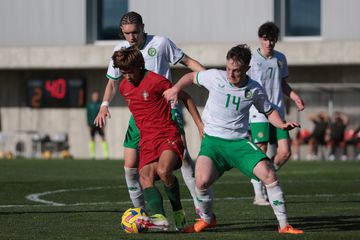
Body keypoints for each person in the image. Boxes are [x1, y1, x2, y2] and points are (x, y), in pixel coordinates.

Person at [163, 44, 304, 234]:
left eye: (236, 71)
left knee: (269, 174)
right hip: (213, 143)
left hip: (239, 143)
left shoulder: (254, 89)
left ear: (247, 68)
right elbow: (190, 76)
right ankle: (207, 219)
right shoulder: (215, 77)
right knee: (201, 182)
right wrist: (176, 88)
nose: (230, 74)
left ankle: (284, 225)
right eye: (228, 69)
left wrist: (281, 125)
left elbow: (269, 110)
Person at [96, 11, 205, 217]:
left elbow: (188, 62)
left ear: (143, 28)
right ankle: (141, 213)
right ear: (122, 32)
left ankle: (201, 210)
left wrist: (211, 78)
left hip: (166, 110)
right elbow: (112, 81)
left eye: (135, 32)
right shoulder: (120, 51)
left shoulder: (161, 43)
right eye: (127, 33)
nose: (132, 37)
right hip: (140, 116)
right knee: (130, 167)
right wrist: (104, 104)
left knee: (184, 160)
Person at [247, 22, 305, 206]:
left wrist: (294, 96)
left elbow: (283, 84)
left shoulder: (280, 58)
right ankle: (258, 193)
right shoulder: (251, 60)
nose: (269, 43)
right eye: (265, 39)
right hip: (258, 112)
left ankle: (265, 176)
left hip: (278, 112)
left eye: (272, 40)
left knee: (285, 152)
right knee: (261, 149)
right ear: (260, 39)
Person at [86, 90, 109, 159]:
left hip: (100, 124)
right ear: (92, 96)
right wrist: (88, 124)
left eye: (96, 96)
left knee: (103, 138)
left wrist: (104, 124)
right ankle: (92, 155)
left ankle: (106, 155)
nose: (95, 97)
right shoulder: (89, 105)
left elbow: (104, 114)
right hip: (92, 124)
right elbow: (88, 115)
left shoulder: (100, 104)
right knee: (92, 138)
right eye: (94, 96)